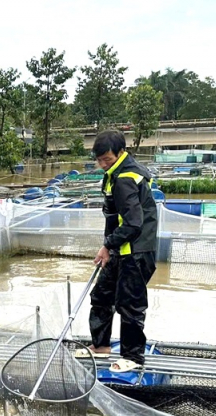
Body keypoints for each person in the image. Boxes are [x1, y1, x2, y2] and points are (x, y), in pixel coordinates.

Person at [86, 130, 158, 371]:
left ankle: (133, 357)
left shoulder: (126, 178)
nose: (102, 164)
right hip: (120, 248)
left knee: (130, 305)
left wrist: (107, 245)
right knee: (101, 296)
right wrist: (110, 246)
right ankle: (101, 346)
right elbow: (115, 218)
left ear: (121, 152)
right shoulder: (115, 173)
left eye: (107, 159)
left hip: (136, 252)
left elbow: (134, 223)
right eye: (99, 160)